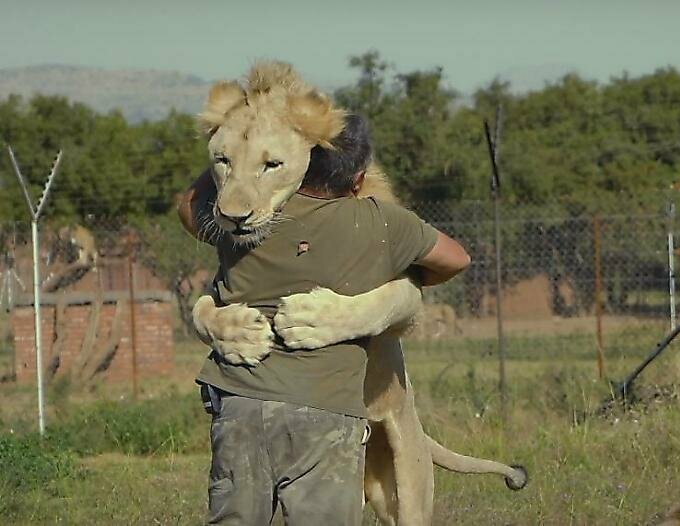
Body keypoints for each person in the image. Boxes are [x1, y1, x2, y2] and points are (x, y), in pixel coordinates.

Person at [178, 114, 471, 526]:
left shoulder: (243, 225)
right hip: (326, 409)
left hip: (240, 404)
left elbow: (189, 207)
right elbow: (455, 259)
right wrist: (362, 310)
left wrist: (240, 142)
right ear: (359, 179)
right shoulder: (380, 225)